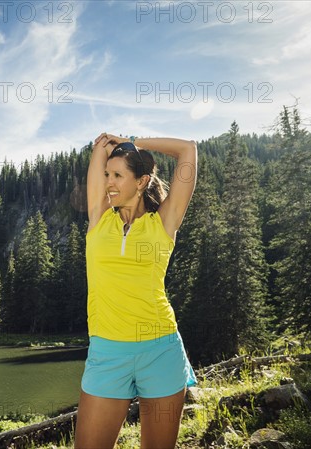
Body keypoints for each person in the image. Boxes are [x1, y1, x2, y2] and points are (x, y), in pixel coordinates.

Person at [74, 133, 198, 449]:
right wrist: (112, 147)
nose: (109, 183)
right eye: (106, 175)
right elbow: (99, 149)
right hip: (107, 352)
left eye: (117, 176)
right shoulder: (99, 217)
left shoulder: (164, 222)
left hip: (160, 350)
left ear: (141, 181)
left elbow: (187, 150)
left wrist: (134, 141)